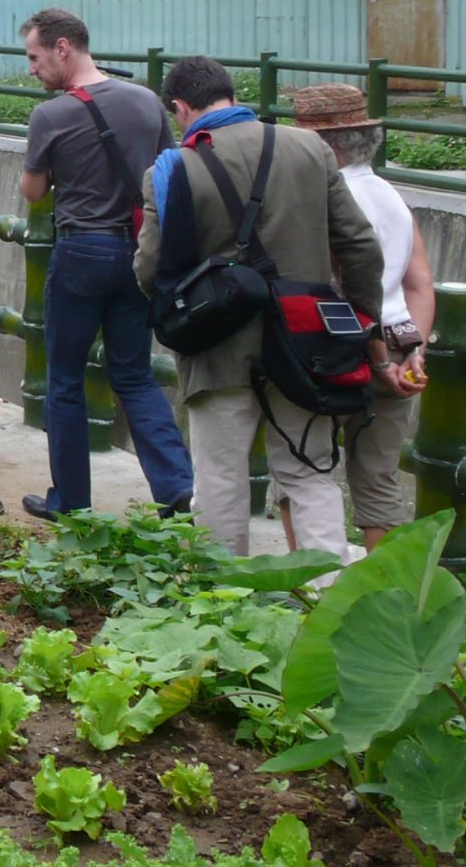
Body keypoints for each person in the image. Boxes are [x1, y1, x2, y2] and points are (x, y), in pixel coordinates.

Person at [137, 55, 386, 560]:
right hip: (308, 346)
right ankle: (326, 606)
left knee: (220, 480)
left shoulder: (172, 170)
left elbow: (149, 269)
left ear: (181, 107)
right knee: (310, 473)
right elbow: (360, 246)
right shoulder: (310, 149)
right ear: (231, 94)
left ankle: (224, 610)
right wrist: (360, 322)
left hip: (217, 348)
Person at [16, 8, 193, 524]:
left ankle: (71, 502)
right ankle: (177, 489)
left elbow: (33, 191)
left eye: (35, 56)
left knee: (65, 379)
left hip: (81, 252)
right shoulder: (145, 102)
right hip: (139, 254)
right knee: (135, 376)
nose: (32, 69)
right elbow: (166, 172)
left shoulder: (51, 115)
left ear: (63, 48)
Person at [285, 84, 433, 553]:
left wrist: (378, 357)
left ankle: (309, 590)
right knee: (378, 481)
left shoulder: (325, 199)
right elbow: (419, 283)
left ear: (323, 145)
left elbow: (346, 284)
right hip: (399, 341)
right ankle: (379, 598)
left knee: (303, 469)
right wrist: (416, 351)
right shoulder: (390, 195)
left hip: (335, 348)